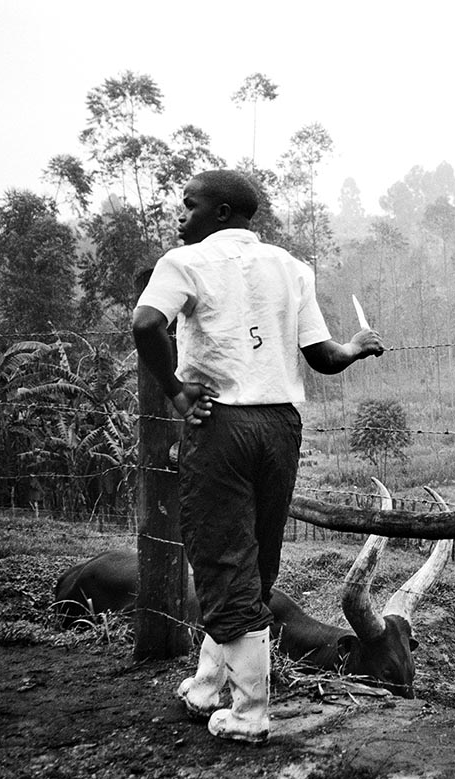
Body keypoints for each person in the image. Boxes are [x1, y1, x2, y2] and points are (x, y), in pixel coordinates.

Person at [131, 169, 383, 744]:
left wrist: (174, 392)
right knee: (256, 562)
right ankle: (206, 686)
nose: (181, 215)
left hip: (220, 424)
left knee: (224, 559)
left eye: (189, 205)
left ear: (221, 212)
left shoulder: (183, 262)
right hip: (279, 427)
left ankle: (249, 714)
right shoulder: (292, 268)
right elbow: (322, 356)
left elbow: (147, 323)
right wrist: (357, 347)